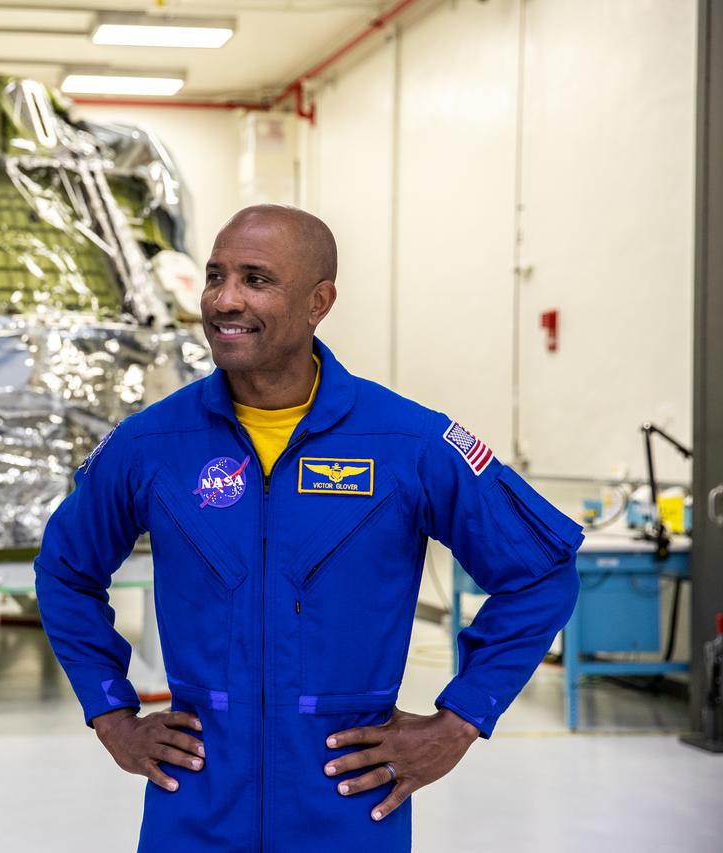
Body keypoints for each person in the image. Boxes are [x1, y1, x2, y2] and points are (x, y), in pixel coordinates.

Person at [33, 205, 583, 852]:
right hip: (196, 805)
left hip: (347, 801)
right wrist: (112, 714)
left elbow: (543, 571)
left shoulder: (407, 442)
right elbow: (65, 570)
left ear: (319, 301)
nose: (224, 299)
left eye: (256, 279)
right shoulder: (153, 442)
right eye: (215, 276)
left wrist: (460, 720)